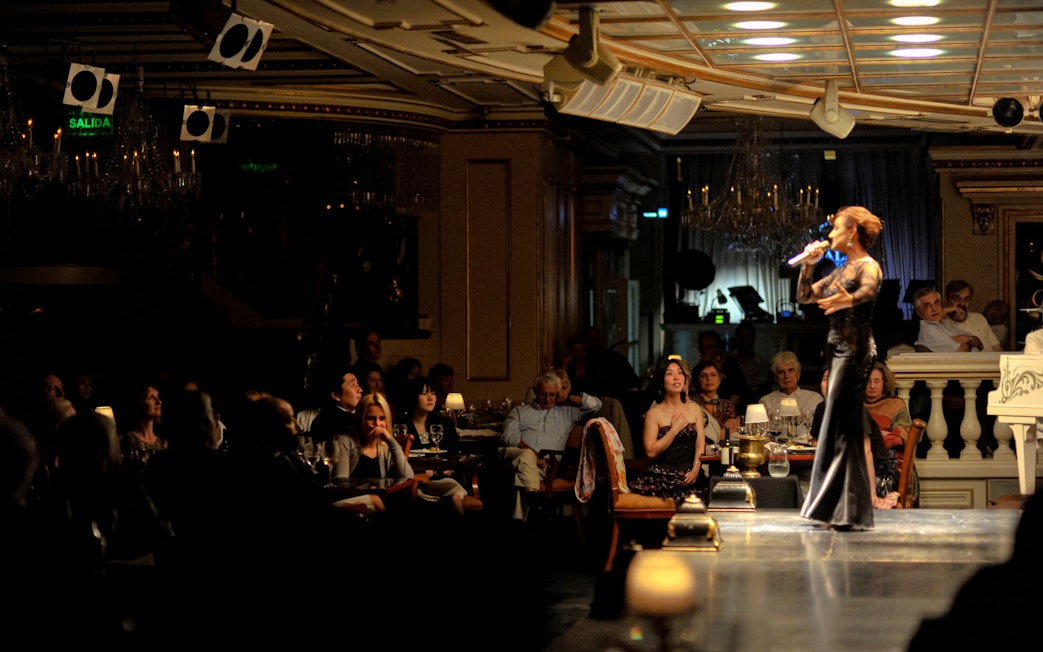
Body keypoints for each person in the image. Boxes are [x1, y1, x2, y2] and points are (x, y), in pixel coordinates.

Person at [794, 205, 884, 530]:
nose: (831, 234)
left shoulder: (867, 266)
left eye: (836, 228)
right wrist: (808, 264)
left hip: (855, 350)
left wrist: (850, 300)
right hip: (836, 349)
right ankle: (844, 510)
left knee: (841, 425)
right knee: (840, 427)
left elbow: (869, 289)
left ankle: (843, 509)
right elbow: (805, 296)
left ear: (853, 231)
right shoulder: (840, 270)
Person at [500, 370, 602, 519]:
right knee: (526, 456)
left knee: (521, 476)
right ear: (535, 391)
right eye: (543, 394)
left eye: (552, 394)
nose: (548, 399)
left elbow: (596, 405)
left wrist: (568, 396)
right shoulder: (520, 411)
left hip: (544, 466)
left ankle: (527, 515)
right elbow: (509, 436)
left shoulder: (567, 413)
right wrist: (534, 454)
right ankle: (535, 508)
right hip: (513, 456)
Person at [629, 357, 708, 504]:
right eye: (670, 373)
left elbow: (700, 444)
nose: (676, 377)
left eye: (680, 373)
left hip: (692, 471)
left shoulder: (694, 409)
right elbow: (650, 452)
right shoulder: (654, 414)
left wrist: (696, 468)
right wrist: (674, 430)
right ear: (661, 380)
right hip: (664, 474)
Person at [402, 376, 468, 516]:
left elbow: (455, 453)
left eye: (432, 392)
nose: (430, 397)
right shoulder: (403, 426)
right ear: (414, 396)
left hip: (443, 479)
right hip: (414, 481)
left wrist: (439, 471)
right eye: (424, 393)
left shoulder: (444, 424)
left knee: (453, 493)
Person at [912, 287, 983, 352]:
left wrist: (967, 338)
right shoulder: (930, 331)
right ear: (920, 313)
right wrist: (969, 340)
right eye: (927, 306)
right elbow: (962, 352)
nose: (934, 309)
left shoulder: (942, 323)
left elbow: (979, 343)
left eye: (937, 303)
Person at [697, 330, 752, 412]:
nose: (705, 351)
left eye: (709, 347)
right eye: (702, 347)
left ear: (717, 348)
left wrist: (723, 410)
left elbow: (739, 392)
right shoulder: (698, 369)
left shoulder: (730, 365)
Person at [308, 365, 364, 445]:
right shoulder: (327, 422)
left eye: (358, 384)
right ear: (336, 395)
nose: (360, 390)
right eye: (353, 385)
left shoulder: (362, 415)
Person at [943, 279, 1004, 351]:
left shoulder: (979, 318)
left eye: (966, 299)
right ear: (947, 300)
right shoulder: (942, 324)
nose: (962, 303)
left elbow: (996, 347)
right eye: (956, 299)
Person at [758, 351, 824, 416]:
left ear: (798, 374)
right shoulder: (766, 402)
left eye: (790, 370)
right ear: (775, 377)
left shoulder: (814, 399)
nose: (787, 376)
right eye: (781, 372)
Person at [691, 359, 739, 437]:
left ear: (719, 379)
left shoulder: (727, 405)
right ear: (697, 380)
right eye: (703, 375)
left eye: (713, 375)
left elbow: (730, 431)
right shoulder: (691, 404)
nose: (709, 379)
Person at [728, 321, 772, 400]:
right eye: (741, 336)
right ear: (736, 338)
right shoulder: (728, 361)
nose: (744, 340)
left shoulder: (762, 364)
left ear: (753, 338)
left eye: (747, 336)